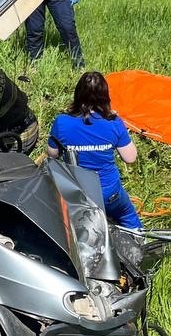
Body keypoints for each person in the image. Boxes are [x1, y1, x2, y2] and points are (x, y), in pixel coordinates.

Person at [46, 70, 141, 230]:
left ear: (77, 94)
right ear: (105, 95)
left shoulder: (61, 123)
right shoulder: (114, 122)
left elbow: (52, 154)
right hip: (109, 192)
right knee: (127, 215)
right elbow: (130, 158)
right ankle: (138, 242)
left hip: (78, 194)